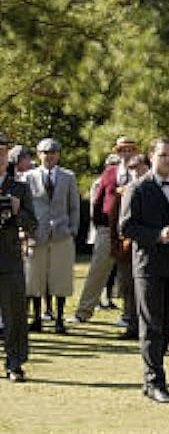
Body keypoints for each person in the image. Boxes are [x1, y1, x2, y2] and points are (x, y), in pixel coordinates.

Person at [119, 137, 169, 403]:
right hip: (148, 264)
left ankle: (154, 376)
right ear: (151, 156)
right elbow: (126, 228)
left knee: (168, 324)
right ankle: (154, 381)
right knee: (151, 324)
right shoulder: (137, 189)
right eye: (164, 155)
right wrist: (158, 235)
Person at [70, 136, 139, 324]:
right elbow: (98, 199)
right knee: (97, 271)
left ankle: (129, 314)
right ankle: (83, 311)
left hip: (131, 231)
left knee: (129, 275)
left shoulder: (141, 172)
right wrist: (100, 223)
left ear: (136, 152)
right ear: (117, 152)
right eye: (122, 150)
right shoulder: (110, 172)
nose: (126, 154)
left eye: (130, 150)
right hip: (107, 230)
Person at [24, 138, 80, 334]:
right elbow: (24, 207)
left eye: (53, 152)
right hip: (36, 235)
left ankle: (59, 319)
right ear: (38, 154)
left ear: (59, 155)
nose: (49, 156)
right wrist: (26, 230)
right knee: (35, 278)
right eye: (45, 152)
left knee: (60, 278)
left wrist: (73, 228)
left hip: (61, 234)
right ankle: (37, 318)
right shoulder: (28, 177)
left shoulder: (68, 176)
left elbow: (74, 206)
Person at [0, 136, 37, 382]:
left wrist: (17, 212)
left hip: (9, 258)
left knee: (13, 313)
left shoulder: (19, 187)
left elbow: (32, 223)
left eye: (2, 153)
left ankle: (15, 363)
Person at [110, 153, 151, 340]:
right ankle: (132, 325)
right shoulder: (122, 192)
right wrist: (116, 245)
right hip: (126, 249)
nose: (135, 171)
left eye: (139, 167)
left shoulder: (152, 190)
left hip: (149, 248)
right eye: (132, 168)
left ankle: (147, 328)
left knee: (147, 290)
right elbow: (114, 221)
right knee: (127, 288)